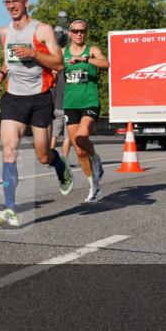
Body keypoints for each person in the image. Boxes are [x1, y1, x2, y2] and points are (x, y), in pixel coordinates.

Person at [0, 0, 72, 229]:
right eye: (7, 2)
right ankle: (10, 209)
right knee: (9, 151)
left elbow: (59, 64)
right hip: (13, 98)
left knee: (43, 155)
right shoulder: (4, 32)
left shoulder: (42, 30)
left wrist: (33, 53)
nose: (11, 6)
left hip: (40, 98)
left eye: (16, 1)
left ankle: (59, 164)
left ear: (26, 3)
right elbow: (8, 60)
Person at [61, 19, 108, 202]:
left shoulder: (92, 50)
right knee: (79, 151)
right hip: (71, 104)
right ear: (70, 33)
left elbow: (106, 63)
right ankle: (94, 185)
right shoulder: (63, 52)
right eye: (76, 31)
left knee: (81, 137)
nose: (79, 34)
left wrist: (85, 59)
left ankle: (95, 159)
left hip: (90, 102)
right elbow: (54, 68)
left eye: (82, 31)